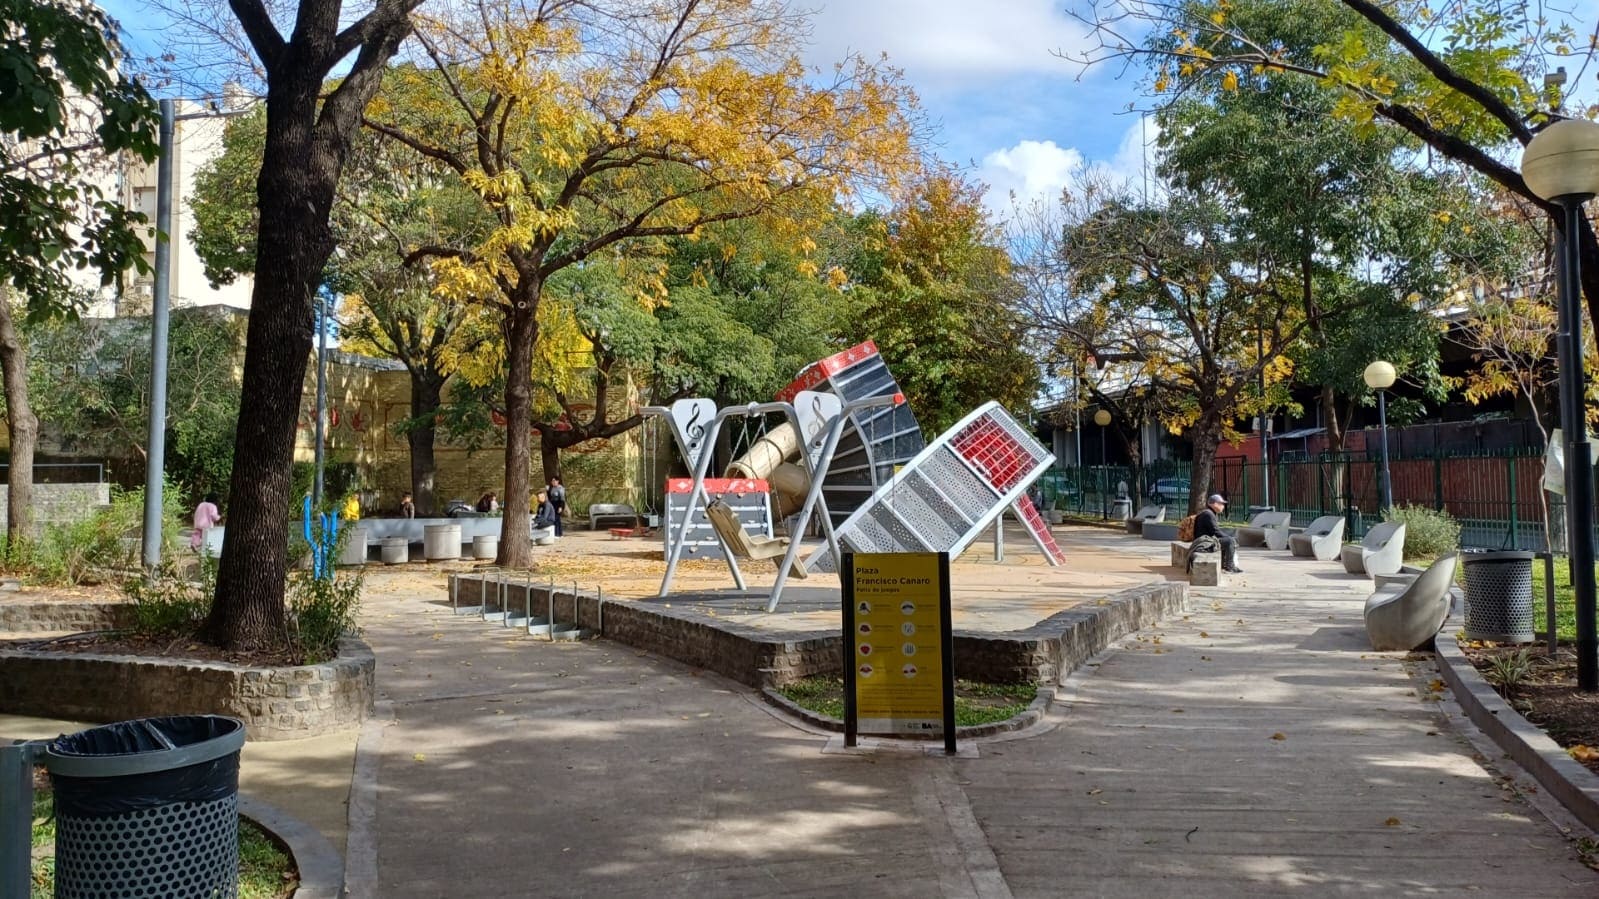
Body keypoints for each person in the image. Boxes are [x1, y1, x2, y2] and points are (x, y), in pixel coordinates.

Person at [1195, 493, 1243, 574]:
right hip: (1204, 543)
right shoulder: (1208, 514)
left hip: (1206, 540)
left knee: (1227, 540)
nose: (1223, 506)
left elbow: (1215, 532)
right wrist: (1230, 538)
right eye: (1221, 504)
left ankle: (1225, 565)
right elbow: (1216, 532)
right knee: (1229, 541)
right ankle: (1230, 567)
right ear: (1214, 504)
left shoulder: (1210, 513)